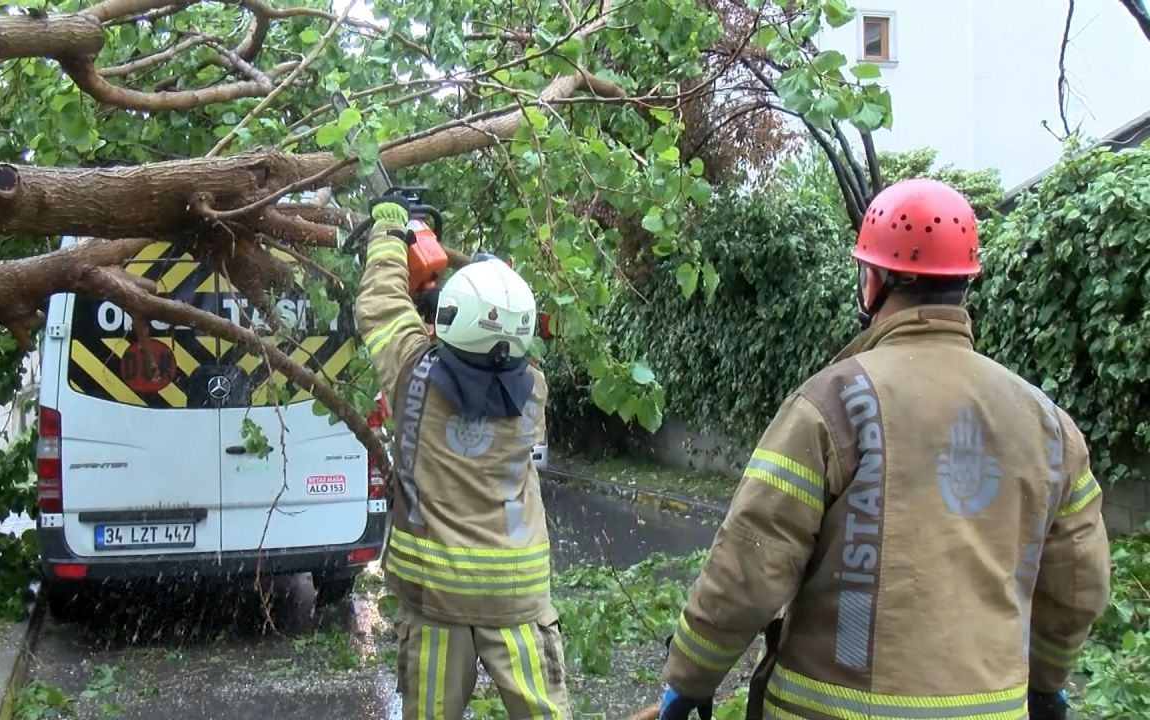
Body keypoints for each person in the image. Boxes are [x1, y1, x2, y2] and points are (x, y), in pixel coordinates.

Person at [654, 179, 1111, 720]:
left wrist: (689, 681)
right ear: (965, 282)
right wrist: (1047, 683)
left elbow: (751, 563)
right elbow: (1080, 586)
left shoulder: (831, 404)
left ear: (871, 280)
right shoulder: (1049, 425)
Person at [354, 197, 570, 720]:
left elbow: (381, 305)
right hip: (518, 599)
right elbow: (495, 352)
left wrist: (388, 233)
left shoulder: (412, 376)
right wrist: (489, 279)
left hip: (436, 601)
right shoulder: (534, 391)